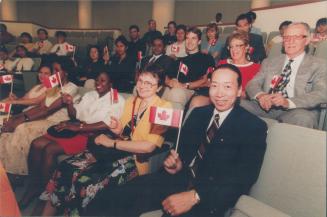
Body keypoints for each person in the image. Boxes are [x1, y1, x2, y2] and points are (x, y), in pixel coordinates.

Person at [84, 64, 268, 217]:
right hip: (176, 180)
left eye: (227, 87)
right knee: (109, 199)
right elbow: (182, 157)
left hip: (211, 195)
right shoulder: (198, 114)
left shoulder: (253, 126)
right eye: (214, 86)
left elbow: (244, 178)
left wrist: (196, 196)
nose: (219, 93)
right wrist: (176, 164)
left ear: (239, 91)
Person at [40, 65, 172, 216]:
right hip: (115, 153)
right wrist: (118, 130)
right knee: (66, 167)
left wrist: (112, 142)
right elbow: (125, 133)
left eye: (149, 83)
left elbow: (148, 147)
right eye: (141, 80)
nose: (142, 86)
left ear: (159, 87)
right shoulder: (131, 101)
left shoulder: (164, 109)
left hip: (136, 161)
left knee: (86, 182)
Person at [19, 71, 125, 209]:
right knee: (36, 143)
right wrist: (69, 104)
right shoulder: (90, 95)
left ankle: (47, 195)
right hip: (75, 129)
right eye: (97, 80)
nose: (98, 83)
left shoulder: (116, 98)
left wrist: (79, 127)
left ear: (111, 83)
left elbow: (107, 123)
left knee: (49, 149)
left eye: (103, 81)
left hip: (92, 135)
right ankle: (33, 187)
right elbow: (75, 114)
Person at [0, 56, 79, 176]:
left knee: (22, 128)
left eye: (57, 70)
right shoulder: (52, 87)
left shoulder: (72, 88)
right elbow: (40, 107)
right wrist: (16, 118)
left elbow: (48, 110)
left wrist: (19, 122)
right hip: (43, 118)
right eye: (54, 70)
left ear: (66, 72)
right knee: (8, 131)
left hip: (56, 122)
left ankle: (16, 172)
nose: (54, 74)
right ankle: (4, 169)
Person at [241, 22, 327, 129]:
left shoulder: (319, 64)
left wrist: (288, 102)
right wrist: (261, 96)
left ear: (307, 40)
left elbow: (321, 93)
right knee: (235, 104)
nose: (290, 41)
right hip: (265, 108)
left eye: (296, 37)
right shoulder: (269, 62)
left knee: (303, 118)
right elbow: (253, 83)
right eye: (286, 37)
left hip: (296, 110)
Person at [190, 30, 261, 109]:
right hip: (214, 98)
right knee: (196, 101)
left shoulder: (256, 68)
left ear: (247, 47)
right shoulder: (223, 63)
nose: (233, 50)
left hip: (236, 102)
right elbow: (210, 83)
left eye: (238, 46)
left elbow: (252, 93)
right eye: (231, 47)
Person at [164, 27, 215, 109]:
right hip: (178, 88)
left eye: (193, 38)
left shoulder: (207, 58)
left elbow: (207, 81)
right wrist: (170, 82)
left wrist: (185, 85)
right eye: (187, 38)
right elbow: (165, 76)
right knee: (162, 91)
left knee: (176, 93)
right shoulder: (180, 60)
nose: (189, 41)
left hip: (195, 91)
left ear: (199, 41)